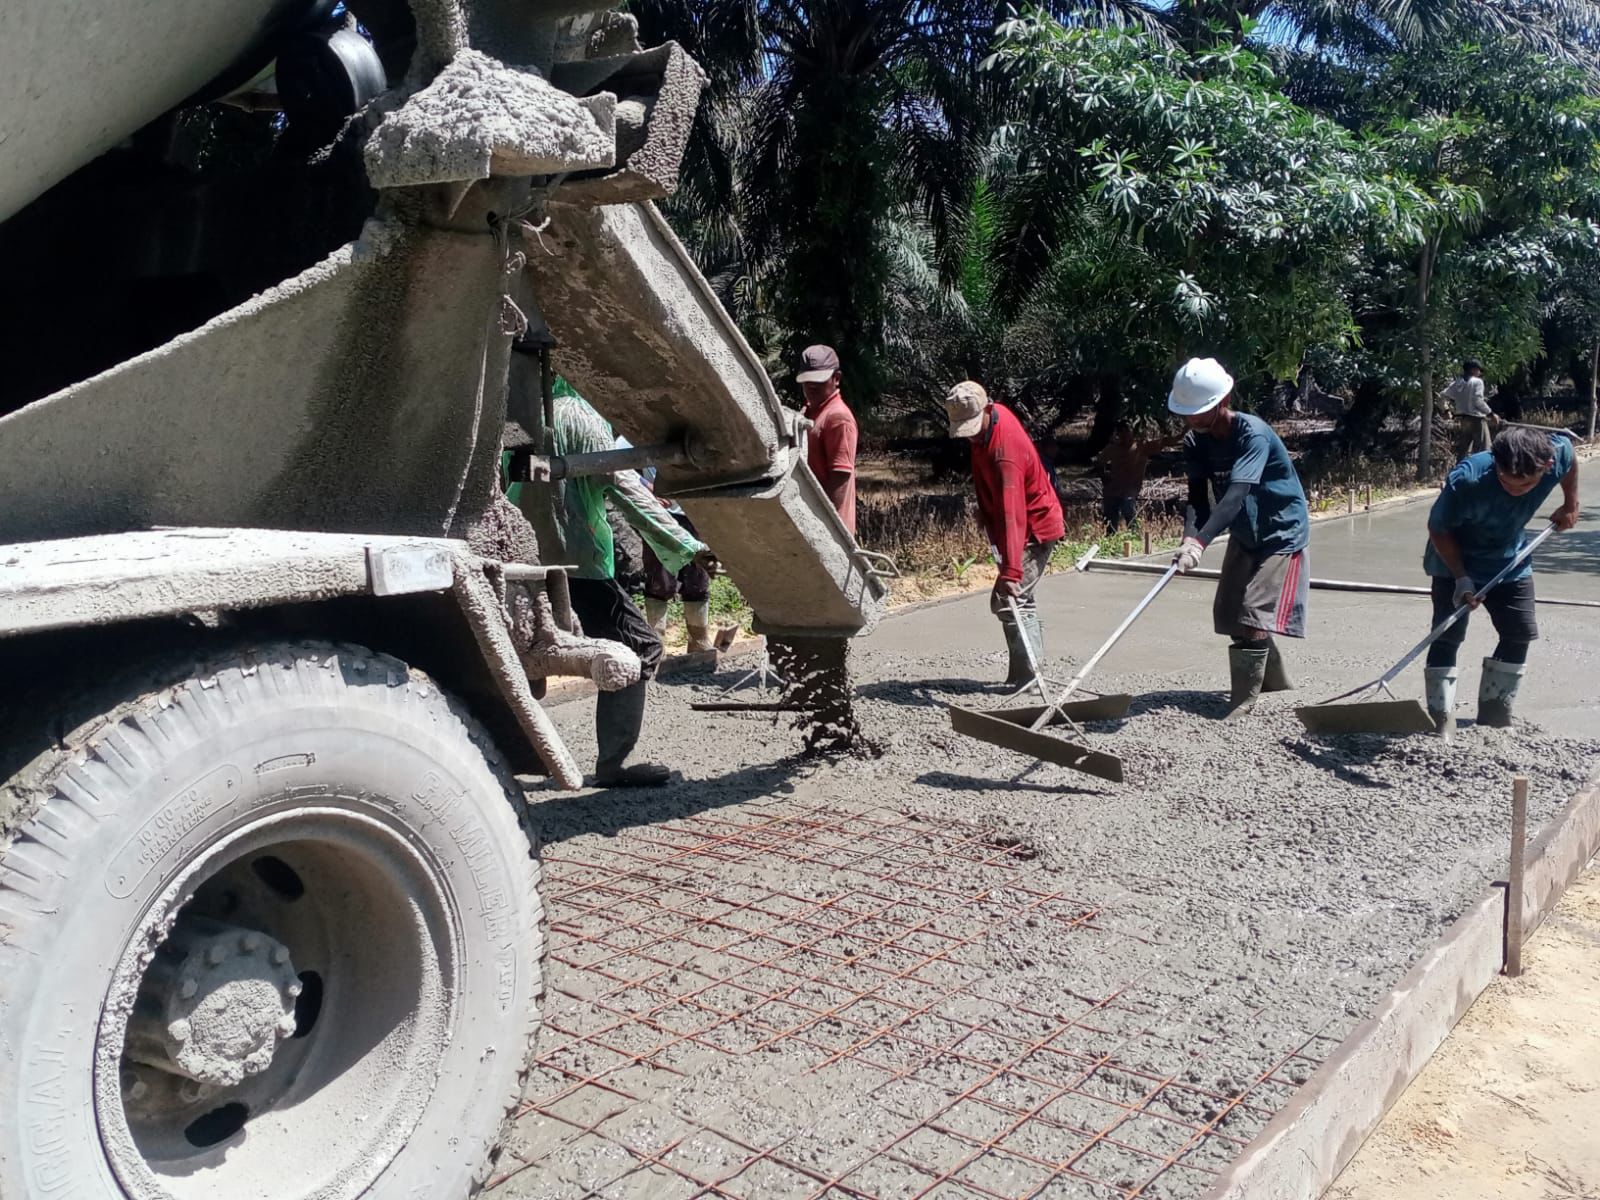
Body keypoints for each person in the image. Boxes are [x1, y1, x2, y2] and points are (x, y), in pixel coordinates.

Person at [551, 379, 719, 786]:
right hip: (580, 561)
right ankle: (613, 763)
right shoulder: (583, 420)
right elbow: (629, 491)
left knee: (525, 654)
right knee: (640, 647)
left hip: (528, 558)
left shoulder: (530, 413)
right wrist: (691, 546)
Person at [1168, 358, 1311, 720]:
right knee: (1231, 616)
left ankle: (1243, 701)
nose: (1194, 420)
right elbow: (1198, 498)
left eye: (1201, 412)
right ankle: (1275, 681)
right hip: (1246, 529)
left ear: (1224, 399)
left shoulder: (1253, 435)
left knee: (1252, 613)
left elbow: (1235, 494)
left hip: (1280, 530)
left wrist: (1201, 543)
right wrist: (1188, 538)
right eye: (1188, 414)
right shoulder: (1195, 441)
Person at [1421, 426, 1579, 735]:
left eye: (1525, 485)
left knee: (1519, 632)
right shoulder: (1468, 479)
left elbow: (1570, 456)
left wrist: (1571, 502)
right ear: (1496, 464)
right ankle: (1442, 719)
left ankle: (1495, 713)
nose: (1515, 490)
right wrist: (1462, 578)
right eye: (1507, 482)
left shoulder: (1555, 456)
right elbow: (1438, 529)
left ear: (1546, 467)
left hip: (1509, 559)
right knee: (1447, 633)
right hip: (1453, 558)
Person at [944, 380, 1066, 685]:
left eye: (972, 427)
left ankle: (1029, 679)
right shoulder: (989, 424)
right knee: (1022, 600)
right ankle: (1027, 674)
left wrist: (1012, 572)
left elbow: (1014, 514)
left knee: (1009, 600)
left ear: (987, 409)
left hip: (1034, 528)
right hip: (1017, 524)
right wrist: (985, 510)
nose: (970, 437)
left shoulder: (1004, 450)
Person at [634, 452, 715, 653]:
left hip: (696, 509)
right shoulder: (639, 435)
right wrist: (647, 487)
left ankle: (699, 640)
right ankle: (657, 644)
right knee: (659, 580)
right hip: (660, 516)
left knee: (698, 578)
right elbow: (618, 465)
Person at [795, 344, 859, 534]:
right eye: (807, 381)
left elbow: (839, 478)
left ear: (836, 378)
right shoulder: (810, 412)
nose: (811, 387)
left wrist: (823, 526)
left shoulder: (838, 418)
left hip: (827, 530)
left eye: (819, 381)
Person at [1095, 419, 1181, 533]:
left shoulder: (1142, 446)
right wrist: (1104, 478)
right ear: (1117, 434)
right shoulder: (1112, 449)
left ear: (1132, 432)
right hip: (1113, 489)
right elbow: (1099, 463)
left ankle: (1134, 535)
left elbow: (1167, 442)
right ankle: (1111, 540)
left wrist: (1184, 432)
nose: (1124, 435)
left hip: (1131, 489)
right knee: (1110, 517)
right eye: (1120, 432)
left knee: (1128, 507)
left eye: (1126, 431)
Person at [1442, 359, 1499, 462]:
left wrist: (1446, 410)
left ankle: (1460, 473)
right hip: (1476, 419)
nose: (1480, 373)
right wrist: (1491, 413)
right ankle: (1480, 474)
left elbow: (1442, 396)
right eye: (1479, 370)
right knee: (1483, 450)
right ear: (1473, 370)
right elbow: (1478, 401)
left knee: (1463, 451)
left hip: (1463, 420)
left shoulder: (1457, 383)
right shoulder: (1477, 382)